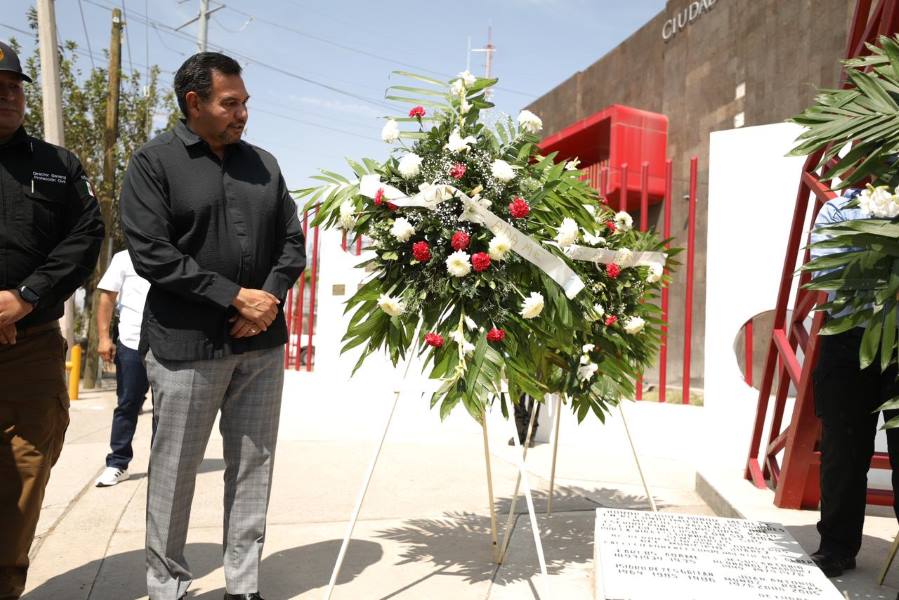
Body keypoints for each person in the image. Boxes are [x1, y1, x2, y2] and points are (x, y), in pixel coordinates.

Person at [120, 52, 305, 600]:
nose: (242, 113)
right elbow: (150, 252)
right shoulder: (153, 163)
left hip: (261, 346)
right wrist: (232, 299)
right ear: (194, 102)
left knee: (253, 466)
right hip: (187, 348)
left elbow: (292, 242)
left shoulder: (265, 165)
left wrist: (267, 299)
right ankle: (168, 586)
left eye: (245, 103)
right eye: (231, 103)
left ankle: (242, 585)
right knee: (175, 473)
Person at [0, 41, 104, 599]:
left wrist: (26, 296)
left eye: (14, 87)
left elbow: (86, 238)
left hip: (30, 349)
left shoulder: (58, 167)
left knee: (24, 476)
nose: (7, 96)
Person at [808, 188, 899, 577]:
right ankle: (836, 547)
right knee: (842, 449)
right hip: (849, 338)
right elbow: (828, 273)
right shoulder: (836, 209)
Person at [94, 249, 151, 487]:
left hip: (169, 345)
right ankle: (117, 463)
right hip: (131, 342)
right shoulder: (124, 258)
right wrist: (104, 338)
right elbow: (107, 298)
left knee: (169, 409)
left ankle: (162, 465)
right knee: (128, 404)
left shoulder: (177, 252)